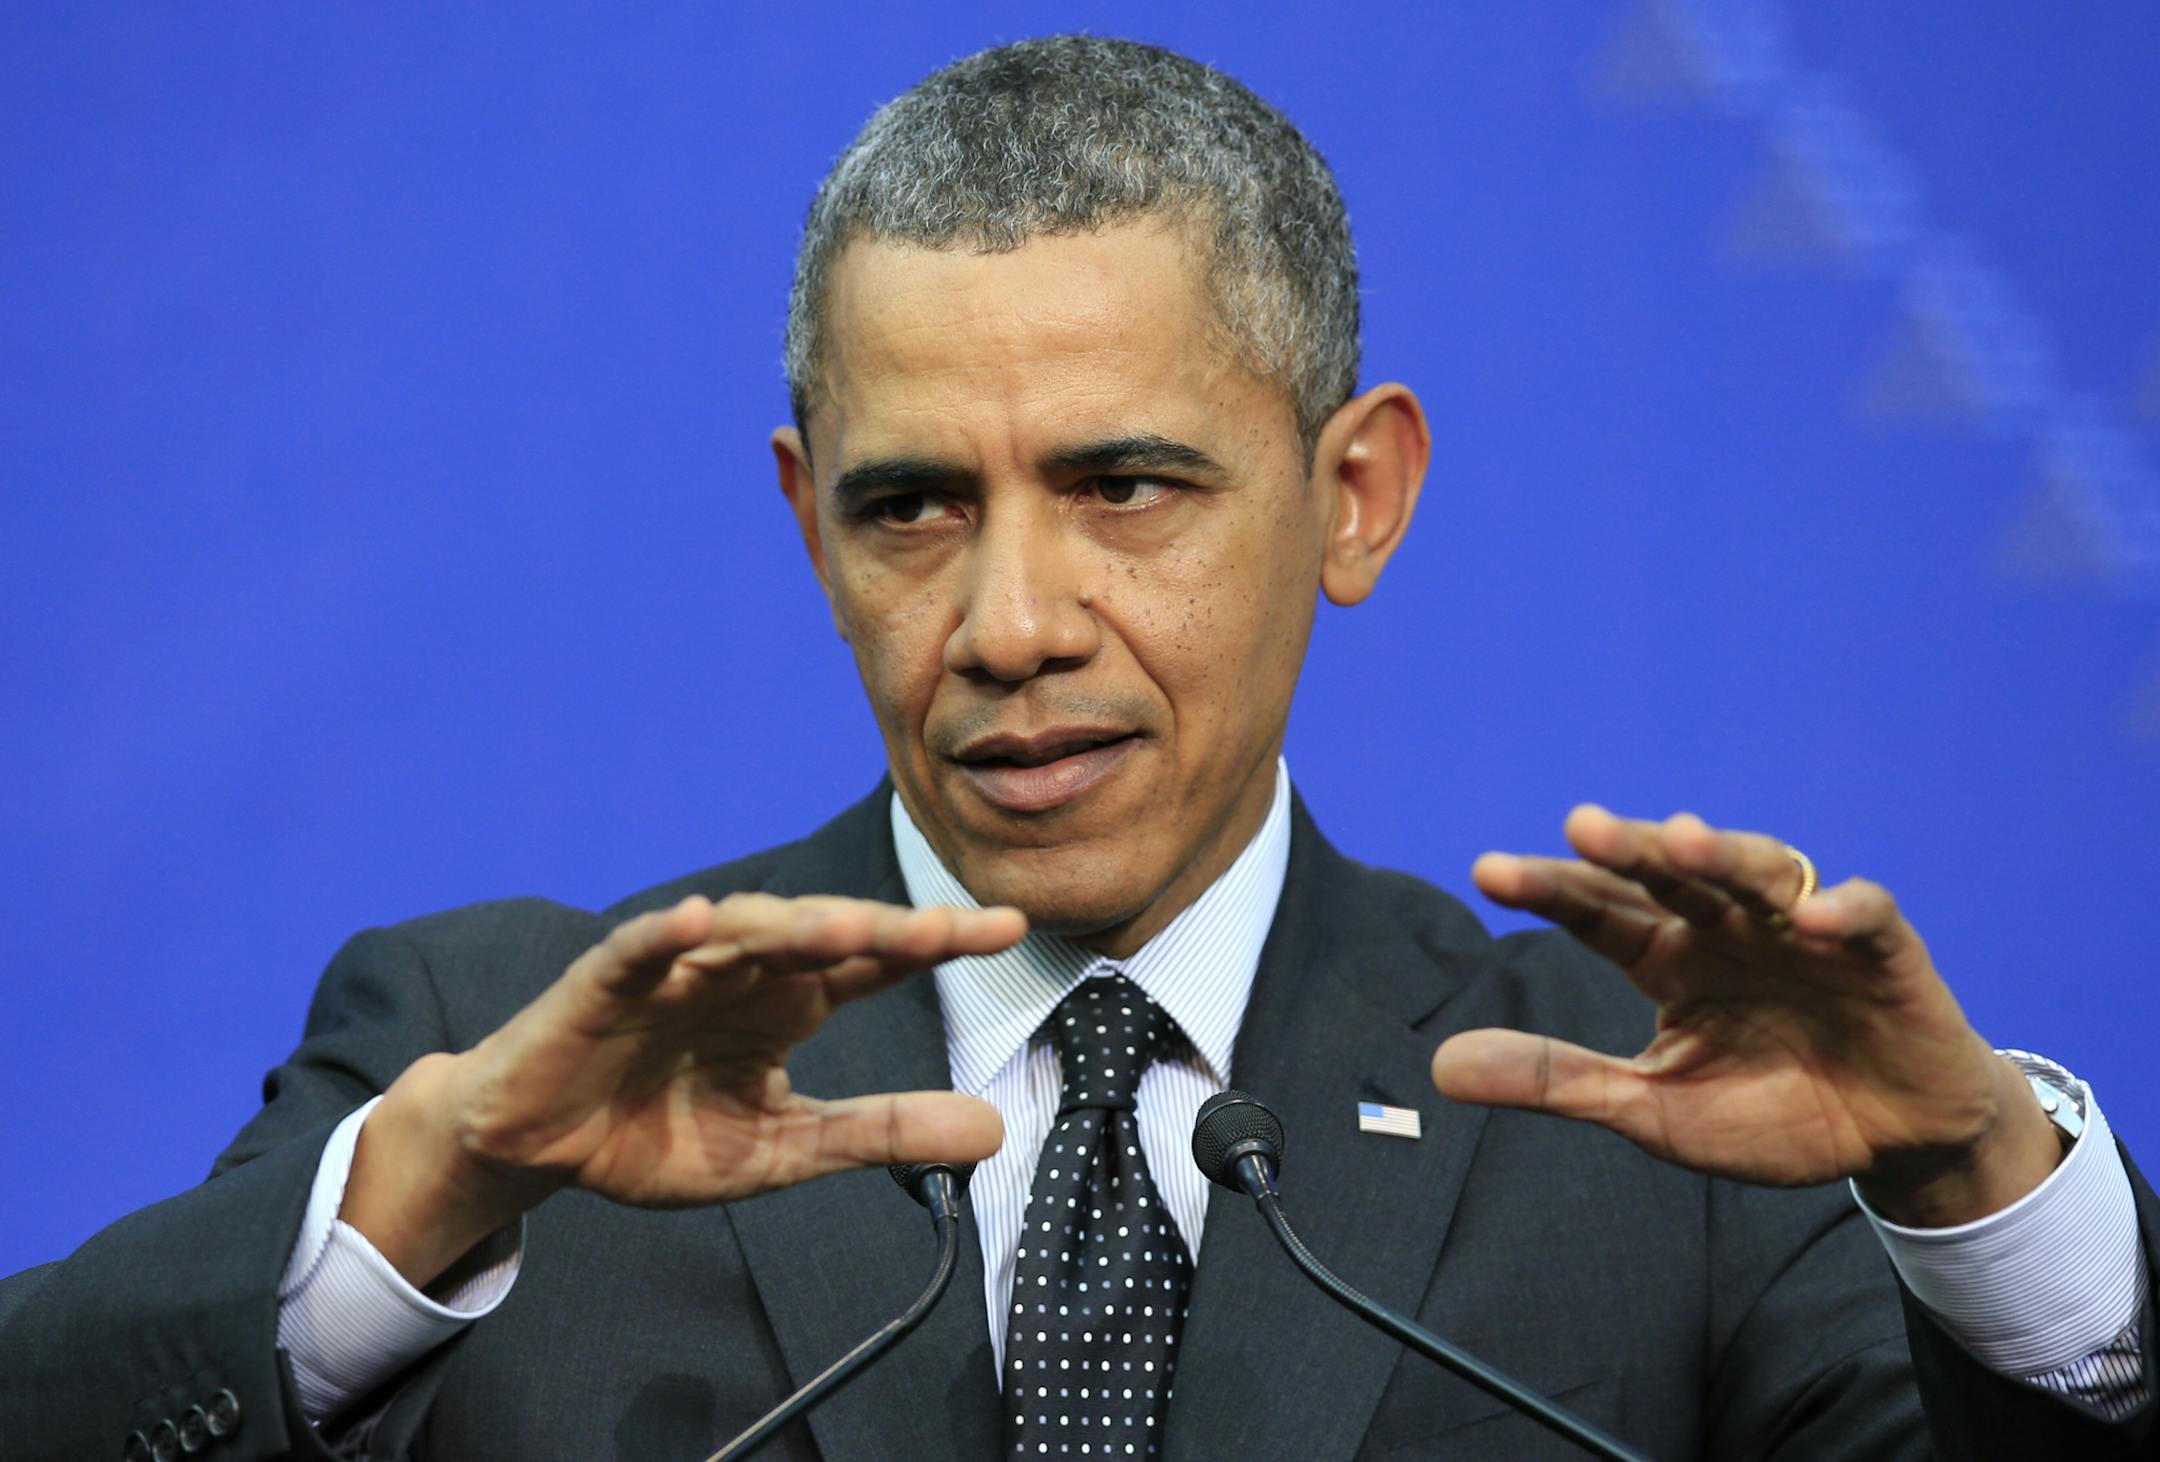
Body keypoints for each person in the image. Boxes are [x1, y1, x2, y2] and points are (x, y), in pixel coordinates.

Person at [2, 35, 2153, 1462]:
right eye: (911, 502)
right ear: (802, 517)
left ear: (1356, 496)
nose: (1012, 623)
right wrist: (412, 1204)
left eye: (1126, 484)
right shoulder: (493, 1059)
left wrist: (1974, 1184)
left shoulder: (1667, 1121)